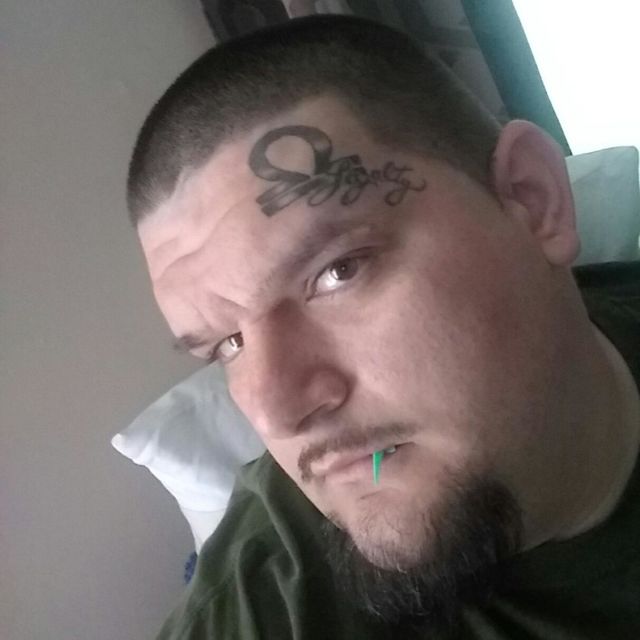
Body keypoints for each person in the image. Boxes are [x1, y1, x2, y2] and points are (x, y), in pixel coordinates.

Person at [126, 14, 640, 640]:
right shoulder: (265, 611)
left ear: (533, 200)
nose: (277, 412)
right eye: (227, 344)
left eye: (336, 272)